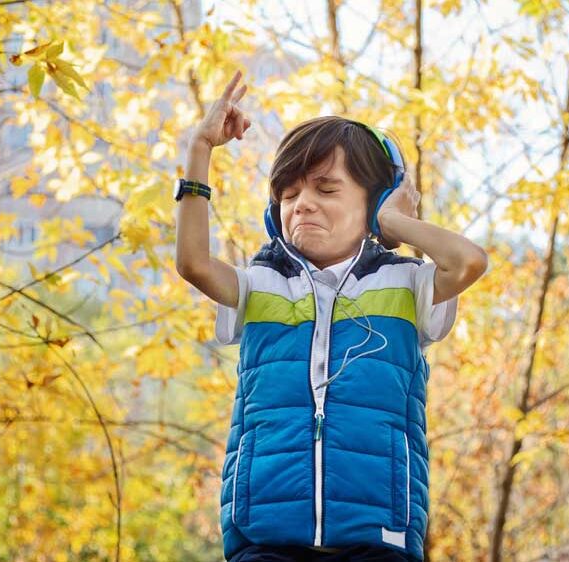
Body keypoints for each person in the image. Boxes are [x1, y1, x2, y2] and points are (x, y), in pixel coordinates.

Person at [174, 70, 488, 562]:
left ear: (376, 202)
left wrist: (395, 223)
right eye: (290, 194)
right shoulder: (260, 282)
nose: (303, 205)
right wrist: (199, 149)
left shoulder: (406, 284)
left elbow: (469, 262)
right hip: (265, 532)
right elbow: (192, 263)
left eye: (326, 189)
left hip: (378, 532)